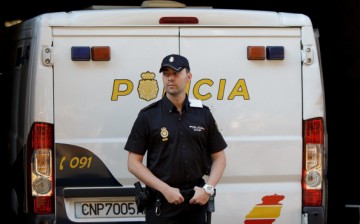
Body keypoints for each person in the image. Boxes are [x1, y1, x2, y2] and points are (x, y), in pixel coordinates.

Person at [124, 54, 227, 224]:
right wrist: (165, 189)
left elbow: (220, 158)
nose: (170, 78)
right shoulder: (148, 116)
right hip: (162, 202)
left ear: (189, 77)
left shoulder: (203, 114)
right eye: (166, 73)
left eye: (176, 73)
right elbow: (133, 163)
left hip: (196, 200)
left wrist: (207, 189)